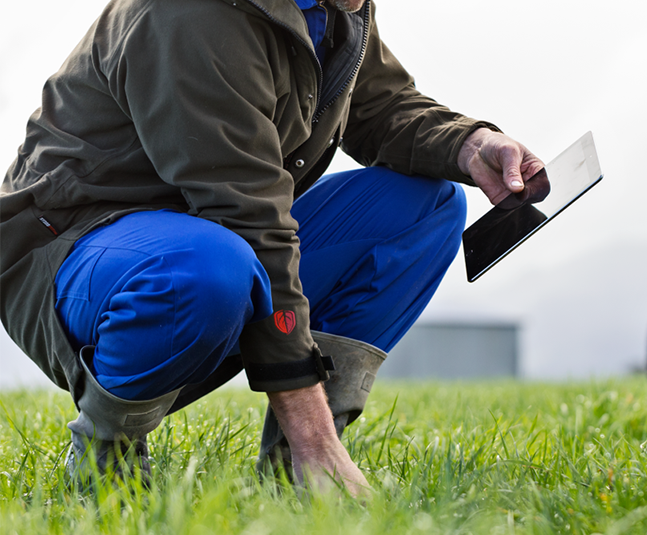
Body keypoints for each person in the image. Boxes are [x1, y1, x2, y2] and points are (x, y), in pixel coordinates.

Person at [0, 0, 545, 497]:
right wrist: (313, 431)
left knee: (424, 206)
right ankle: (106, 462)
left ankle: (296, 476)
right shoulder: (189, 15)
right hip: (79, 255)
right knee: (213, 267)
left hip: (212, 239)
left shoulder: (338, 6)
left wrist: (470, 143)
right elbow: (246, 215)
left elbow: (380, 105)